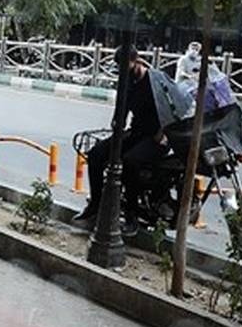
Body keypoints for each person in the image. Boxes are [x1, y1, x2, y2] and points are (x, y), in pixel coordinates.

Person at [75, 45, 193, 233]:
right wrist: (117, 127)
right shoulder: (126, 82)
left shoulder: (157, 80)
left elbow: (179, 108)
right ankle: (95, 204)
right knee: (97, 154)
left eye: (126, 67)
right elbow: (121, 110)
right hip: (136, 132)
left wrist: (164, 132)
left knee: (130, 162)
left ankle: (132, 216)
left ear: (136, 61)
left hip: (157, 138)